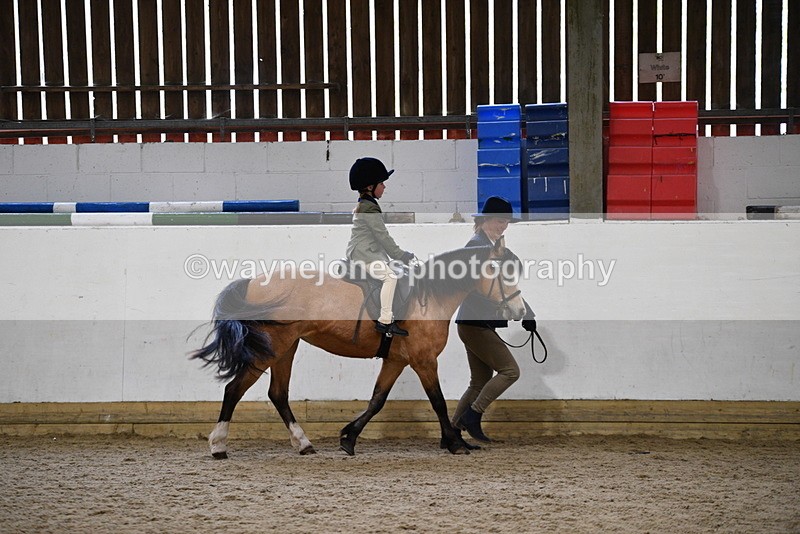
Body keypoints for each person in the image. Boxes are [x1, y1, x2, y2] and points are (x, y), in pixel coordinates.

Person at [452, 196, 537, 443]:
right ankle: (473, 415)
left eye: (507, 222)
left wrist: (526, 313)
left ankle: (452, 433)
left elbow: (508, 283)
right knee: (510, 371)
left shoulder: (494, 245)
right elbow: (481, 287)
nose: (503, 226)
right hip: (475, 323)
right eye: (500, 221)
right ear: (486, 220)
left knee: (479, 382)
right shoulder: (477, 246)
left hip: (474, 323)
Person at [346, 157, 416, 337]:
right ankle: (385, 321)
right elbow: (383, 236)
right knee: (390, 277)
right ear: (370, 187)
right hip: (364, 255)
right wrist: (401, 255)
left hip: (366, 253)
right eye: (382, 183)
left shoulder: (366, 204)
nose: (384, 187)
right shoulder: (369, 208)